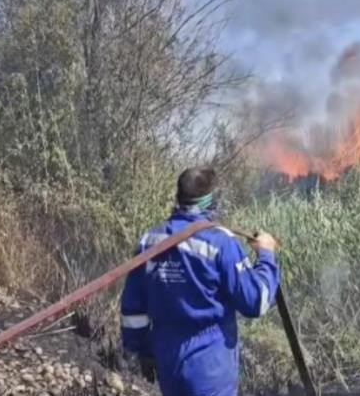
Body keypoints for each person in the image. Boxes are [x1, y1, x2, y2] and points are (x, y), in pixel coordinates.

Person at [120, 166, 280, 396]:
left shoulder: (150, 240)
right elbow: (255, 301)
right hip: (209, 368)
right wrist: (266, 255)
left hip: (168, 363)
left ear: (178, 197)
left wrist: (144, 351)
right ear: (213, 201)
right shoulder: (220, 243)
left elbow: (133, 309)